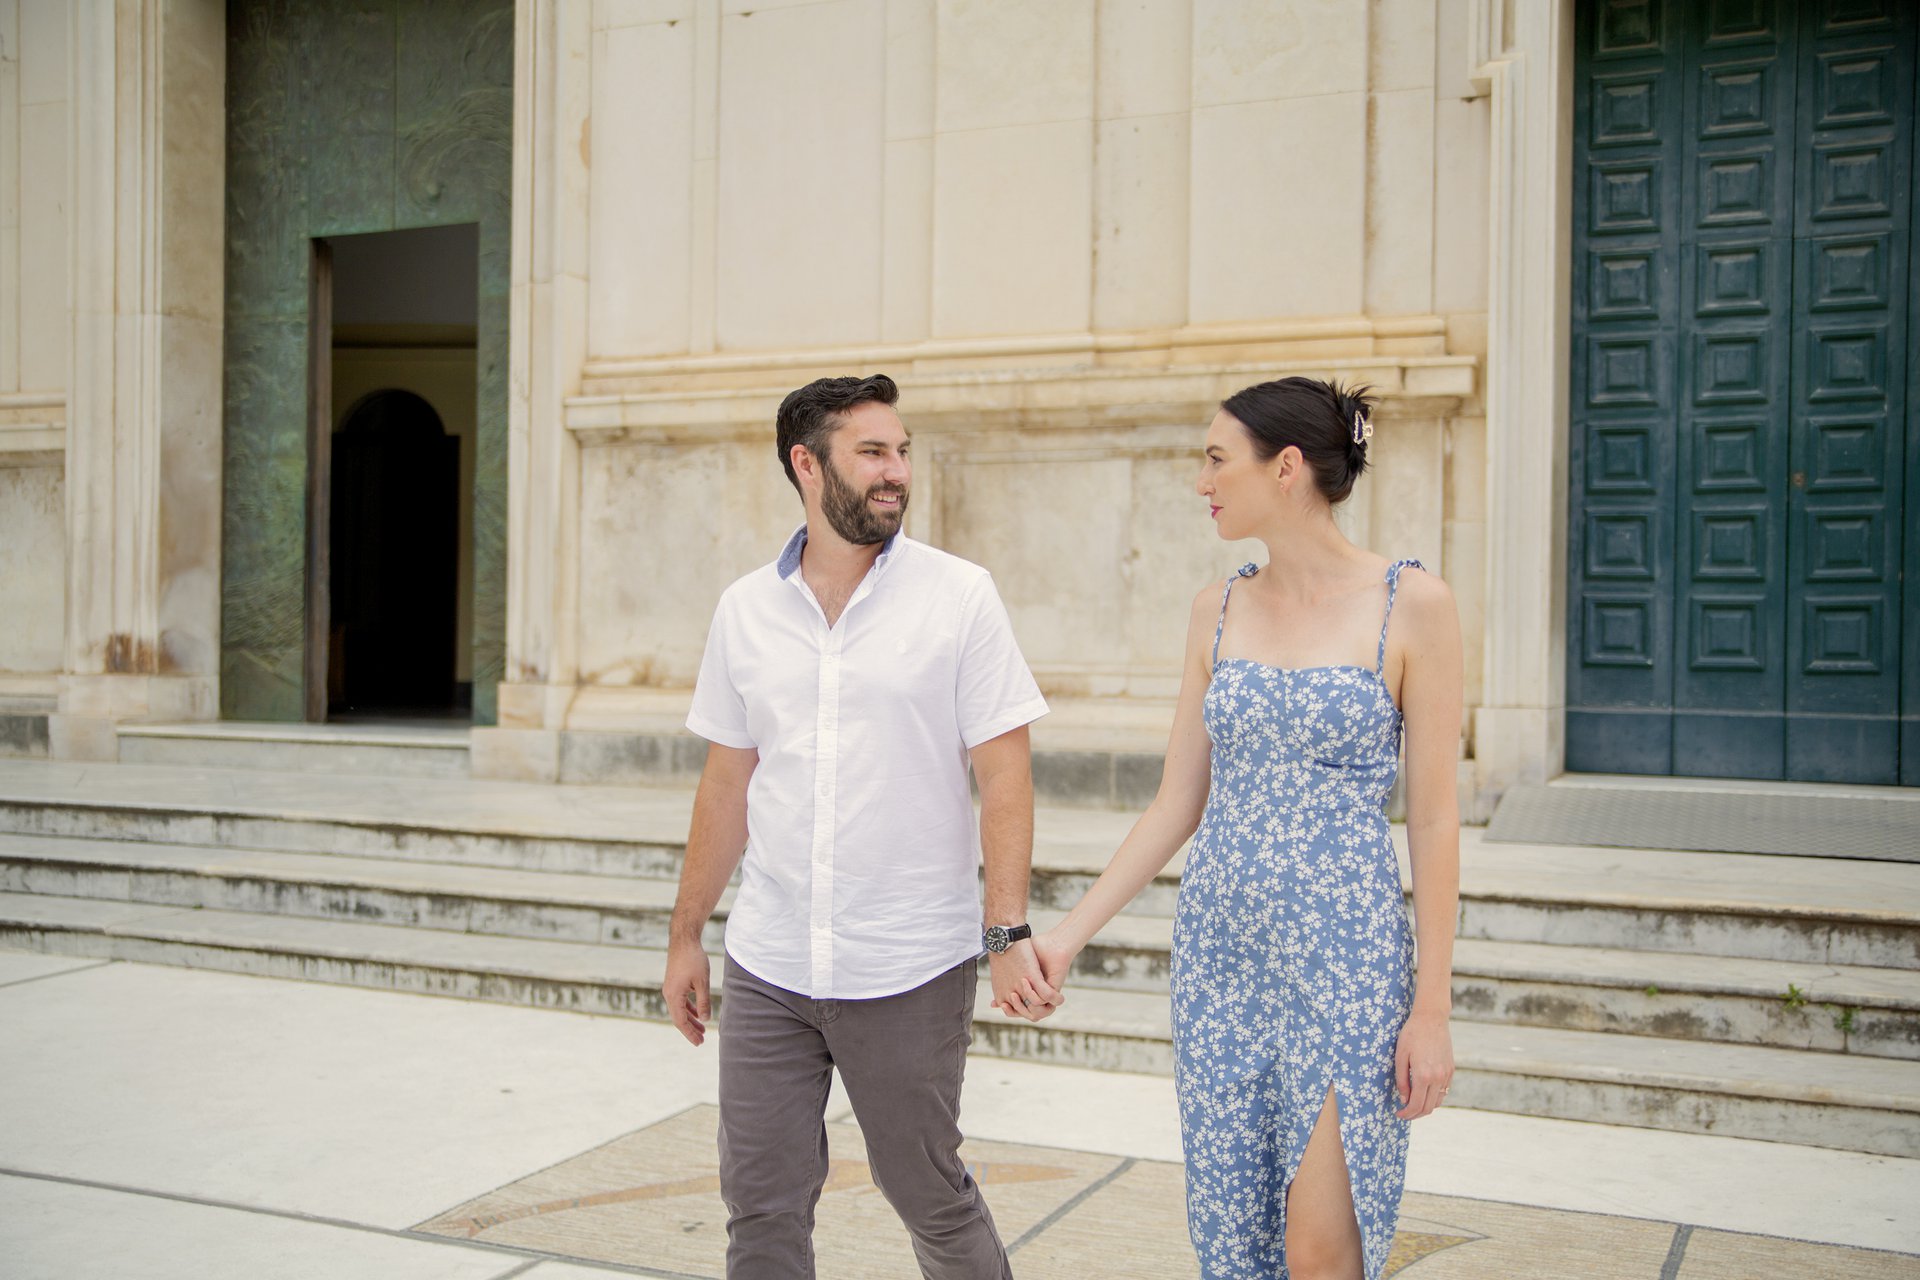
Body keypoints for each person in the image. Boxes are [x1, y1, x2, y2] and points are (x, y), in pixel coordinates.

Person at [1029, 377, 1461, 1280]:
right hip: (1221, 960)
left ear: (1287, 466)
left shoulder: (1413, 603)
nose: (1203, 482)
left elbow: (1432, 816)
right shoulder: (1215, 608)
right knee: (1232, 1238)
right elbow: (1175, 803)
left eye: (1217, 460)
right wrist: (1065, 939)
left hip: (1346, 964)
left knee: (1319, 1247)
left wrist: (1431, 1008)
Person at [662, 373, 1058, 1280]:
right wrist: (687, 936)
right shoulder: (745, 610)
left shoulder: (960, 596)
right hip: (770, 961)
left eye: (902, 451)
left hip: (907, 962)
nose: (897, 472)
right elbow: (726, 782)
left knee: (928, 1194)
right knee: (759, 1205)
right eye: (872, 452)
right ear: (807, 465)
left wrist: (1005, 932)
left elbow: (1004, 773)